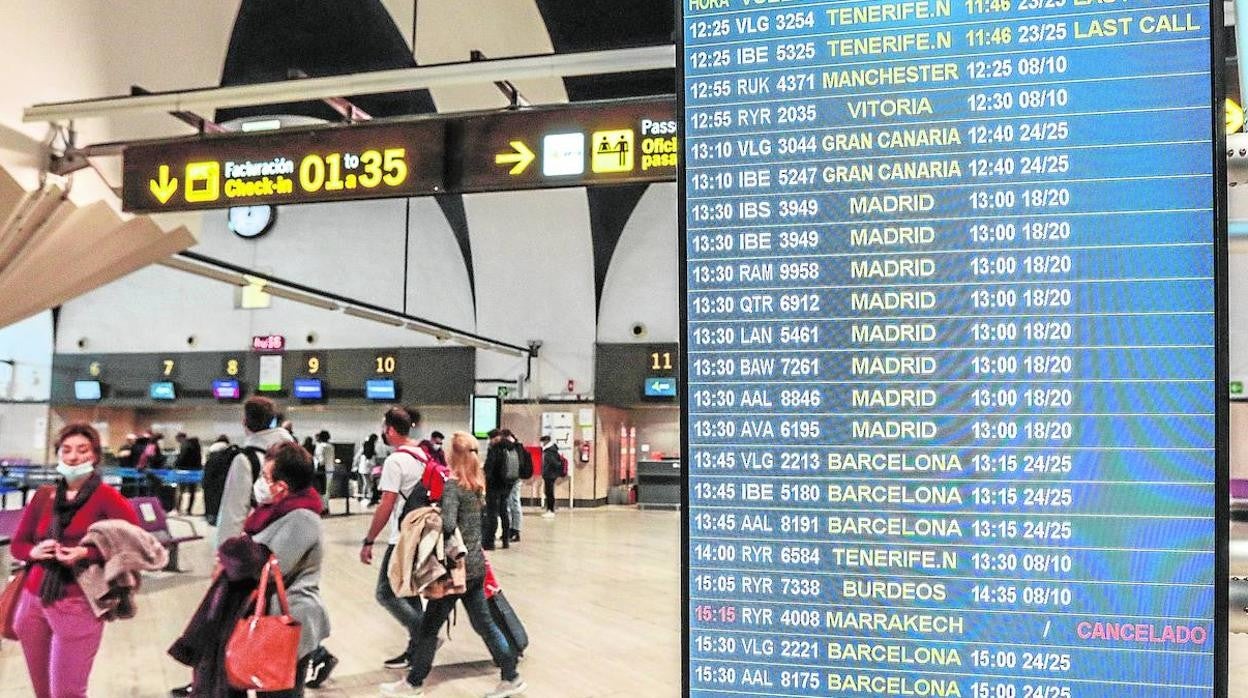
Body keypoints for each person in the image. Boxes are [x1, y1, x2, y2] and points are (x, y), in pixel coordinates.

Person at [380, 432, 525, 698]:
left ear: (453, 454)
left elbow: (448, 525)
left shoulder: (453, 486)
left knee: (428, 628)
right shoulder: (477, 484)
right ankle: (511, 675)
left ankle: (413, 683)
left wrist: (434, 511)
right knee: (485, 625)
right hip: (476, 567)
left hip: (454, 570)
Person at [11, 423, 142, 698]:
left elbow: (136, 542)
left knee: (67, 692)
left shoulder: (106, 497)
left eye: (82, 450)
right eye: (66, 450)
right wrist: (34, 552)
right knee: (43, 691)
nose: (73, 457)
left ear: (94, 455)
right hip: (33, 601)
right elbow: (18, 544)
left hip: (77, 602)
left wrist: (87, 553)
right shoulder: (44, 496)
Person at [233, 441, 331, 697]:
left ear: (282, 485)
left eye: (266, 476)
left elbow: (264, 566)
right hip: (271, 619)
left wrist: (234, 555)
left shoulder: (301, 517)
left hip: (288, 623)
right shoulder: (275, 511)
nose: (262, 483)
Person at [359, 406, 429, 669]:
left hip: (401, 537)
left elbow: (386, 504)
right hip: (420, 532)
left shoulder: (395, 461)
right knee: (409, 593)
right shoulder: (422, 454)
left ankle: (425, 635)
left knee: (385, 593)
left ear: (389, 430)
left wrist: (369, 540)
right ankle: (416, 650)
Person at [215, 397, 295, 548]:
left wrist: (225, 553)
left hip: (258, 541)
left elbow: (233, 512)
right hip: (289, 537)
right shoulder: (292, 454)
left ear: (245, 422)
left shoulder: (245, 460)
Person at [481, 430, 511, 550]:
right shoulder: (509, 447)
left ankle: (489, 542)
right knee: (504, 512)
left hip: (494, 485)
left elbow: (490, 468)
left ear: (494, 438)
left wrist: (485, 474)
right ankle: (505, 540)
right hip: (506, 485)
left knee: (492, 514)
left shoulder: (495, 448)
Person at [502, 430, 530, 543]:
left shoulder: (517, 448)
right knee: (508, 504)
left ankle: (516, 530)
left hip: (515, 479)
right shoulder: (512, 447)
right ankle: (509, 529)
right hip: (508, 479)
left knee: (514, 503)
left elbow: (519, 464)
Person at [172, 436, 203, 515]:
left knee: (181, 490)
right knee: (192, 491)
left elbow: (182, 458)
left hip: (183, 471)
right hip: (194, 472)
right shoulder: (197, 447)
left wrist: (176, 465)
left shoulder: (185, 445)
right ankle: (189, 510)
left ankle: (178, 509)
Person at [540, 435, 562, 518]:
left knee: (549, 492)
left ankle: (550, 510)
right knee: (548, 492)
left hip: (550, 474)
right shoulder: (552, 450)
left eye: (543, 442)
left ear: (546, 441)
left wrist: (546, 470)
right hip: (550, 474)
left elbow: (553, 463)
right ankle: (550, 509)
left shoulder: (549, 451)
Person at [313, 430, 333, 513]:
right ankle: (326, 507)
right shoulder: (331, 446)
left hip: (322, 470)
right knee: (327, 490)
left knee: (321, 490)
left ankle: (322, 507)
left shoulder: (320, 446)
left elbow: (321, 461)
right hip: (330, 469)